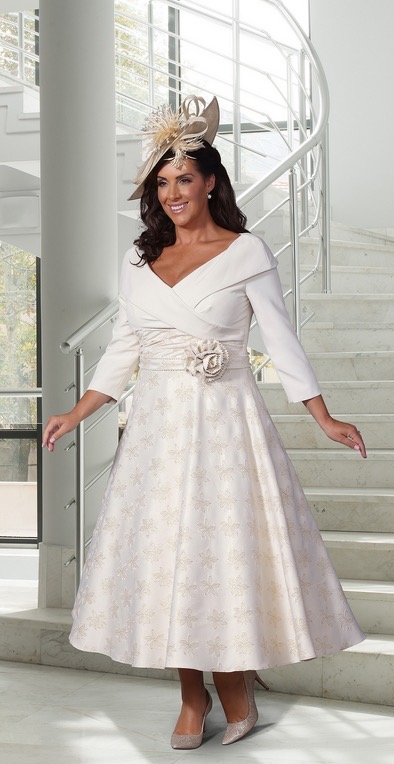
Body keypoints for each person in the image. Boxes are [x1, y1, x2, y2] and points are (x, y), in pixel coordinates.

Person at [42, 95, 366, 749]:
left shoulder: (246, 251)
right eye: (161, 183)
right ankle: (193, 696)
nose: (172, 194)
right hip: (159, 431)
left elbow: (280, 341)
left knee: (222, 556)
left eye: (184, 179)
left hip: (227, 427)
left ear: (210, 181)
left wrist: (322, 415)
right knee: (170, 558)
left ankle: (236, 684)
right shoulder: (139, 260)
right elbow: (125, 349)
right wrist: (77, 412)